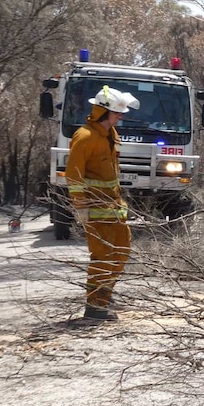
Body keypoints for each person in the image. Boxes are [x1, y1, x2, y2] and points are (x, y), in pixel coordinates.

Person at [66, 85, 139, 322]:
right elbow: (74, 174)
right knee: (102, 256)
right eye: (117, 112)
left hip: (114, 209)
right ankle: (95, 307)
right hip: (95, 210)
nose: (121, 116)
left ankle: (105, 295)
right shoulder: (84, 136)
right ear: (102, 112)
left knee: (121, 251)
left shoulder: (110, 135)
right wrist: (81, 207)